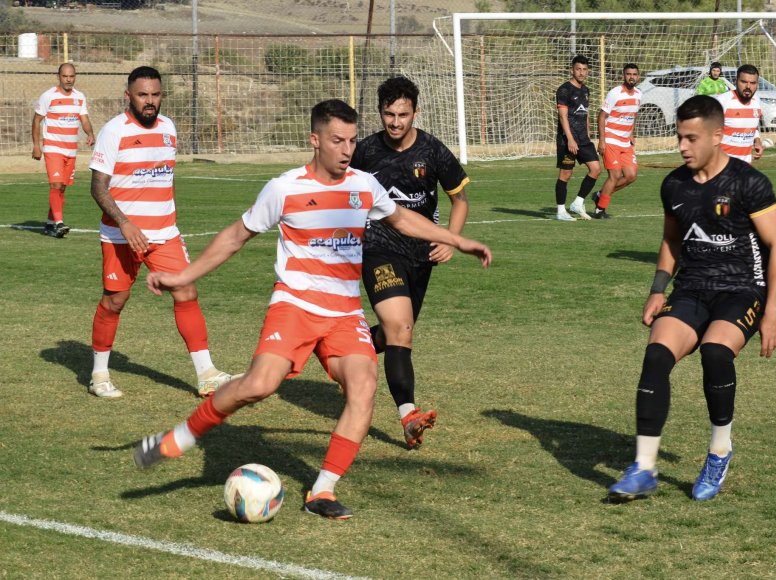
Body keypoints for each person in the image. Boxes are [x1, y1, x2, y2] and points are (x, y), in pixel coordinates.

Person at [132, 99, 492, 520]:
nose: (346, 149)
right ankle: (181, 436)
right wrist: (182, 276)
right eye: (338, 140)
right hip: (295, 306)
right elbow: (234, 236)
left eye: (353, 140)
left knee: (363, 387)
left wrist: (457, 240)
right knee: (259, 385)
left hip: (343, 314)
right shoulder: (285, 189)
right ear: (315, 140)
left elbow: (403, 219)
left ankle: (322, 490)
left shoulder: (362, 185)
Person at [608, 95, 776, 502]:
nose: (682, 146)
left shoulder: (748, 182)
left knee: (715, 353)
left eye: (691, 138)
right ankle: (643, 467)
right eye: (679, 137)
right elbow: (671, 240)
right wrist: (658, 289)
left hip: (742, 289)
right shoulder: (674, 185)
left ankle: (719, 452)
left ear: (717, 136)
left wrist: (773, 311)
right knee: (656, 354)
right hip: (691, 288)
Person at [88, 66, 235, 399]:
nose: (150, 101)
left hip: (165, 233)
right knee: (115, 300)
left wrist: (165, 218)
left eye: (155, 94)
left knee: (185, 291)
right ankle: (99, 374)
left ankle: (207, 374)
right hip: (120, 234)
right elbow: (98, 188)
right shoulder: (114, 131)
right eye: (143, 95)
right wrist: (125, 223)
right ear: (129, 96)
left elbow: (163, 180)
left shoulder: (169, 127)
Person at [351, 76, 470, 448]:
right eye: (389, 114)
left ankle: (344, 348)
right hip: (377, 250)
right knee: (400, 327)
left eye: (403, 114)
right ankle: (408, 415)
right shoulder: (366, 152)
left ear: (415, 113)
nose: (396, 122)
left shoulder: (433, 151)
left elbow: (461, 199)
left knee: (393, 334)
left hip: (420, 255)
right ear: (380, 113)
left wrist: (448, 241)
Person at [31, 63, 95, 238]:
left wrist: (90, 133)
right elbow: (37, 120)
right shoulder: (48, 96)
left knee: (62, 189)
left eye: (72, 76)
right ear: (58, 76)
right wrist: (37, 146)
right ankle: (59, 223)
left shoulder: (80, 97)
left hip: (71, 150)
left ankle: (50, 224)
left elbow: (84, 118)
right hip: (53, 147)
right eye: (65, 76)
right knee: (56, 185)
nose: (69, 79)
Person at [554, 55, 600, 221]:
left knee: (595, 169)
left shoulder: (586, 90)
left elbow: (585, 113)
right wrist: (570, 139)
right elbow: (563, 117)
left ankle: (578, 203)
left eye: (584, 70)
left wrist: (588, 133)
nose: (581, 73)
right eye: (578, 69)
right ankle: (560, 211)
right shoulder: (564, 90)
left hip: (583, 139)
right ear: (572, 70)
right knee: (566, 173)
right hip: (568, 139)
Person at [593, 63, 642, 219]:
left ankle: (601, 194)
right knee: (614, 175)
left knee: (631, 176)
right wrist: (602, 140)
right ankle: (600, 210)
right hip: (611, 139)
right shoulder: (615, 93)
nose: (631, 77)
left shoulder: (639, 95)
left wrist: (631, 134)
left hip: (625, 142)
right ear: (623, 76)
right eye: (628, 74)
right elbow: (601, 116)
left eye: (634, 74)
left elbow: (632, 116)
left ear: (638, 77)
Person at [717, 63, 764, 164]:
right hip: (722, 168)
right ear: (736, 81)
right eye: (743, 82)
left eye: (752, 83)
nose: (748, 86)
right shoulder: (722, 101)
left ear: (757, 84)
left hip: (745, 169)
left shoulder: (757, 101)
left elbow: (752, 126)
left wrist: (757, 140)